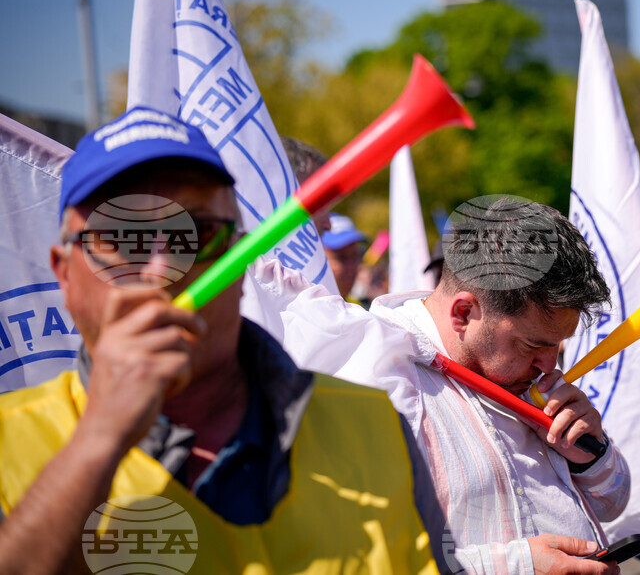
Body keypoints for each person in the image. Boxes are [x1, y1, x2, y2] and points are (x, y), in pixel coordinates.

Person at [0, 108, 439, 574]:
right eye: (125, 239)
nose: (161, 270)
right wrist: (100, 436)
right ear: (64, 273)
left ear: (241, 260)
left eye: (200, 234)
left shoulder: (371, 423)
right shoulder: (10, 439)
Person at [282, 197, 630, 574]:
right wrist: (517, 567)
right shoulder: (374, 379)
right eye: (534, 345)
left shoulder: (521, 374)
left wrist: (593, 455)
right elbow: (351, 559)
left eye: (557, 346)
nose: (551, 365)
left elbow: (613, 502)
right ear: (464, 312)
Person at [322, 213, 366, 299]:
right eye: (341, 257)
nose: (351, 267)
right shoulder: (296, 309)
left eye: (355, 256)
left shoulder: (358, 308)